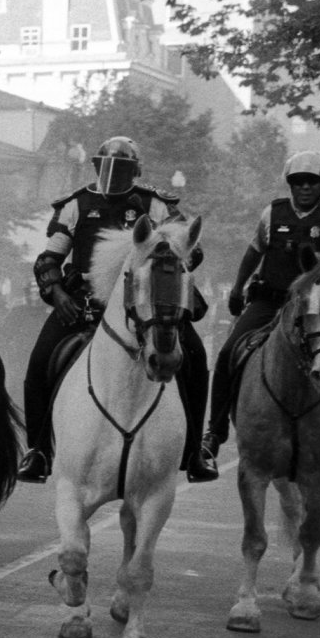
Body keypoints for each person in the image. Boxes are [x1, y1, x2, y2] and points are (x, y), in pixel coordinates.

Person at [16, 137, 214, 483]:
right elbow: (49, 259)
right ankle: (39, 451)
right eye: (104, 167)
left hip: (144, 302)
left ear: (135, 171)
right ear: (94, 167)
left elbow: (189, 250)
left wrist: (171, 248)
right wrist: (58, 294)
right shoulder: (76, 204)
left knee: (194, 357)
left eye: (121, 169)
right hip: (83, 304)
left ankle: (194, 450)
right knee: (39, 364)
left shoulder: (154, 204)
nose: (111, 175)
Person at [203, 151, 320, 468]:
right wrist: (239, 287)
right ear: (290, 184)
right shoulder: (273, 212)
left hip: (315, 305)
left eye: (312, 181)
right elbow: (254, 251)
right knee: (229, 352)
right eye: (298, 181)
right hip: (269, 300)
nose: (305, 187)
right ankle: (213, 433)